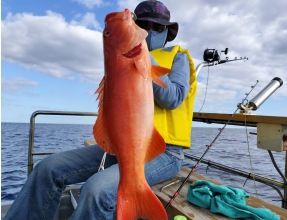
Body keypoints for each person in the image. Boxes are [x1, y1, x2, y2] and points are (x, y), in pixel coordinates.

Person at [5, 0, 197, 219]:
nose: (150, 31)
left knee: (96, 190)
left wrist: (143, 59)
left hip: (165, 152)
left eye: (159, 27)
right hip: (120, 146)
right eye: (144, 25)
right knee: (47, 168)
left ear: (167, 31)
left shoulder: (177, 56)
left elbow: (174, 99)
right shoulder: (120, 58)